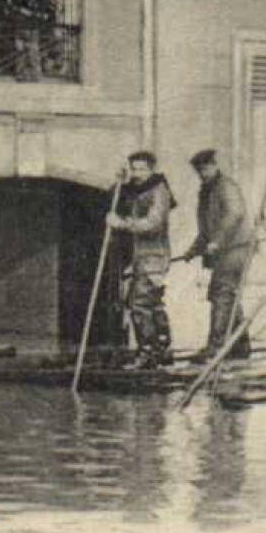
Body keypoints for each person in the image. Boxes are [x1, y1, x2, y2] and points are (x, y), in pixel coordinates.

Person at [107, 150, 177, 369]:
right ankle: (162, 349)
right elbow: (116, 195)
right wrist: (118, 182)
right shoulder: (140, 189)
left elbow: (152, 223)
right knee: (152, 303)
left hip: (153, 258)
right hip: (143, 258)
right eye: (133, 169)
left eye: (140, 169)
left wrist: (123, 223)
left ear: (151, 169)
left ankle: (147, 352)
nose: (136, 174)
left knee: (139, 303)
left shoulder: (159, 191)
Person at [184, 148, 253, 362]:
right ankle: (240, 345)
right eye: (199, 170)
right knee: (228, 294)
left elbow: (235, 214)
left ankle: (215, 348)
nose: (203, 173)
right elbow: (206, 227)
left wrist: (217, 241)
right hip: (223, 251)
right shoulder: (207, 190)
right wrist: (193, 250)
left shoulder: (226, 186)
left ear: (214, 165)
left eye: (206, 168)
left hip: (236, 249)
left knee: (222, 295)